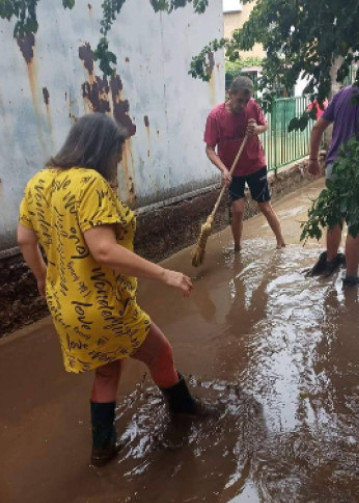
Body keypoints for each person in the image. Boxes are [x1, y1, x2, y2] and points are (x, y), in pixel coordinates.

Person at [17, 113, 210, 467]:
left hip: (67, 307)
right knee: (160, 353)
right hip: (103, 304)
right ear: (101, 149)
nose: (117, 163)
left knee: (107, 370)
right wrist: (165, 274)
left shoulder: (39, 182)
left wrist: (43, 277)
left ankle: (102, 451)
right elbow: (103, 250)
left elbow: (24, 239)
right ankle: (185, 410)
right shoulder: (89, 182)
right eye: (116, 155)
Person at [306, 64, 359, 286]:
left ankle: (331, 261)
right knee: (358, 223)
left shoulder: (343, 93)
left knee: (335, 217)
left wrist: (314, 160)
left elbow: (317, 128)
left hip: (335, 166)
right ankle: (351, 278)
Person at [204, 76, 286, 251]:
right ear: (230, 94)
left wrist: (256, 129)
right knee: (238, 210)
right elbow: (209, 149)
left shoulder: (253, 106)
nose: (243, 105)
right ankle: (238, 247)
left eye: (246, 101)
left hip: (255, 164)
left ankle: (281, 242)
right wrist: (224, 170)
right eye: (240, 100)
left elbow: (265, 125)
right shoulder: (215, 117)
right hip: (232, 171)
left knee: (264, 205)